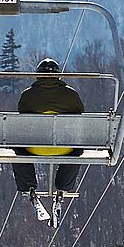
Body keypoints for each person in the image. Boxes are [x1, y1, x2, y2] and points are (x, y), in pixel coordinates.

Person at [12, 57, 83, 205]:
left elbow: (22, 115)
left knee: (17, 147)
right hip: (64, 148)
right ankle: (63, 187)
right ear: (58, 75)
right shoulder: (71, 95)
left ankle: (28, 186)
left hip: (34, 147)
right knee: (77, 149)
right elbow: (79, 114)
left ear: (38, 75)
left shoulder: (28, 95)